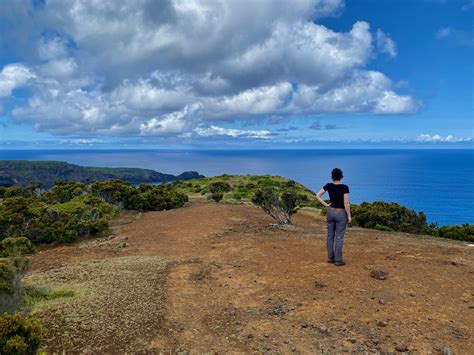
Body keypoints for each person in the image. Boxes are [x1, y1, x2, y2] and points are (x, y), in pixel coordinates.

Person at [316, 168, 352, 266]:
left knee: (330, 236)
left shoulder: (329, 185)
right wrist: (349, 216)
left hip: (330, 212)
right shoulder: (345, 187)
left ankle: (330, 258)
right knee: (339, 237)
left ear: (332, 176)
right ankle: (338, 260)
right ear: (341, 176)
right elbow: (346, 202)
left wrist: (326, 205)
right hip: (341, 213)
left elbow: (318, 195)